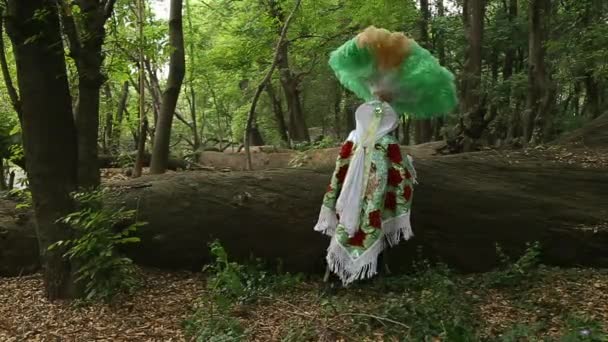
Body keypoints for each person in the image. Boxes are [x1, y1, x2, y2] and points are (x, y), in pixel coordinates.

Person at [314, 26, 457, 285]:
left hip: (356, 203)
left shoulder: (357, 140)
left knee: (364, 222)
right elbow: (392, 173)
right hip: (361, 204)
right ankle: (363, 270)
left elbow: (344, 172)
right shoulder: (365, 142)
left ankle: (356, 271)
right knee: (368, 222)